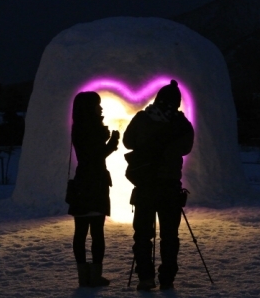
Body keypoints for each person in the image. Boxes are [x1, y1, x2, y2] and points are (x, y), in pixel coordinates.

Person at [123, 80, 194, 291]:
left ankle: (145, 277)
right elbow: (186, 149)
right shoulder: (182, 125)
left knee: (143, 234)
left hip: (145, 185)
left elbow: (128, 142)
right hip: (170, 186)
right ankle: (167, 279)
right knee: (169, 235)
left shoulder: (142, 118)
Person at [67, 91, 120, 287]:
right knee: (97, 232)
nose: (101, 108)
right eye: (98, 105)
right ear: (91, 108)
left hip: (81, 183)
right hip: (97, 183)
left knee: (80, 232)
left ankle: (83, 276)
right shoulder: (96, 130)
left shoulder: (78, 128)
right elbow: (97, 157)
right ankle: (96, 275)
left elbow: (87, 157)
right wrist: (113, 142)